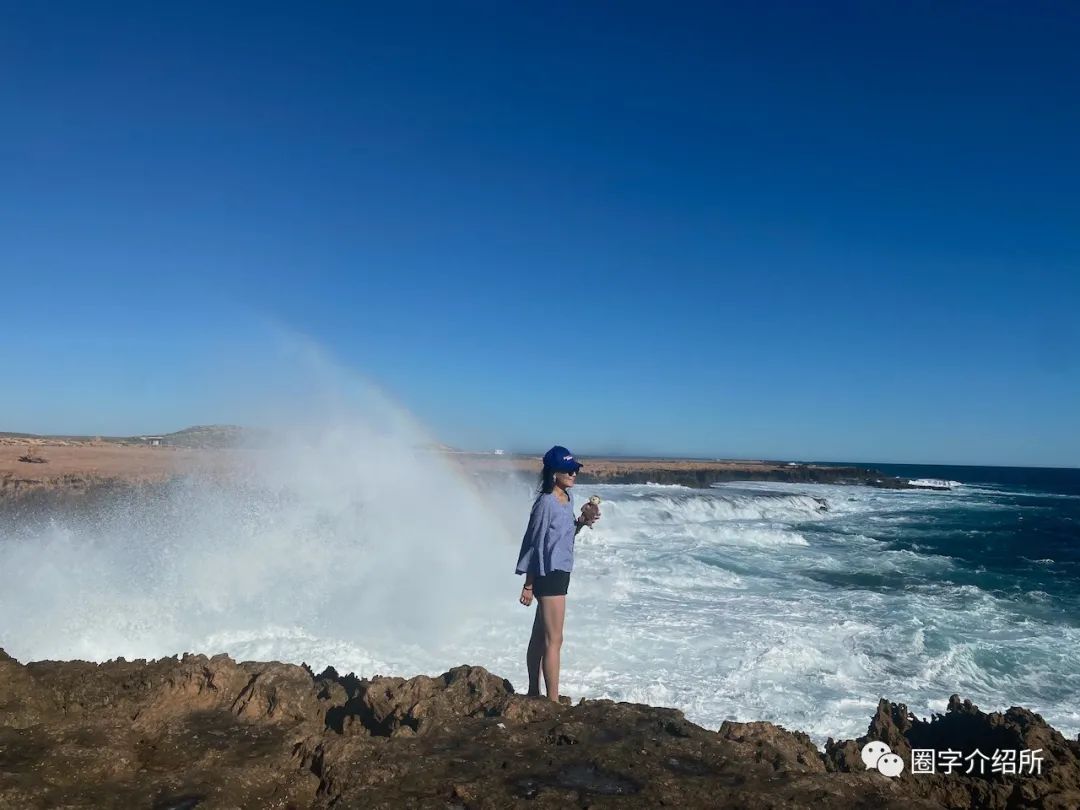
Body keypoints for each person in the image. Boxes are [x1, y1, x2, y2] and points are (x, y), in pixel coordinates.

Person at [514, 445, 601, 702]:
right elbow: (534, 543)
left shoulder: (568, 499)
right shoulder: (546, 503)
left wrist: (582, 522)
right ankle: (552, 702)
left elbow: (563, 537)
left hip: (562, 570)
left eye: (575, 469)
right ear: (554, 473)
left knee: (541, 635)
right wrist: (528, 585)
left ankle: (533, 692)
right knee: (555, 639)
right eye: (568, 470)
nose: (574, 473)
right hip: (547, 573)